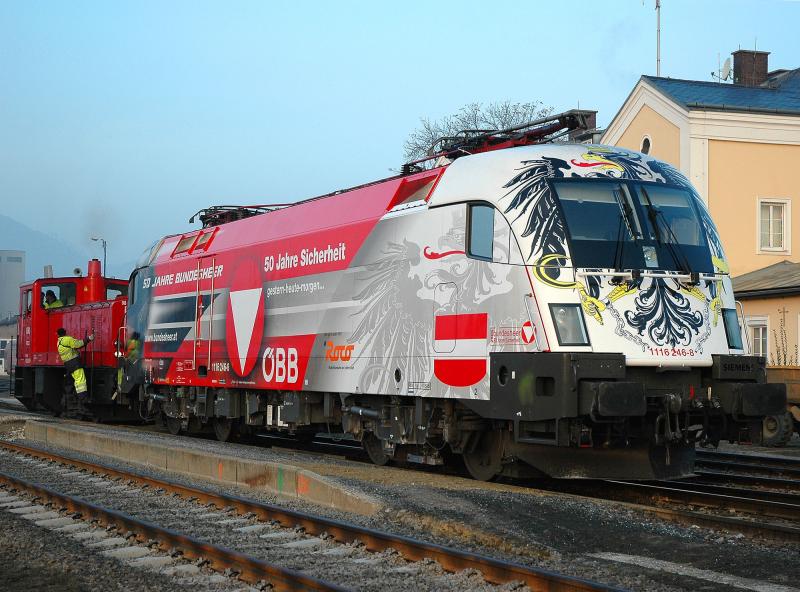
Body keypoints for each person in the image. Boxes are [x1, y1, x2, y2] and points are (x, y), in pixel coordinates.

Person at [56, 328, 93, 399]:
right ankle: (82, 397)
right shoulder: (67, 339)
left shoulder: (59, 342)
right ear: (65, 332)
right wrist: (88, 339)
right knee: (80, 379)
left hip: (68, 364)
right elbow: (78, 344)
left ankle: (78, 395)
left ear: (58, 334)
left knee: (76, 379)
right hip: (74, 362)